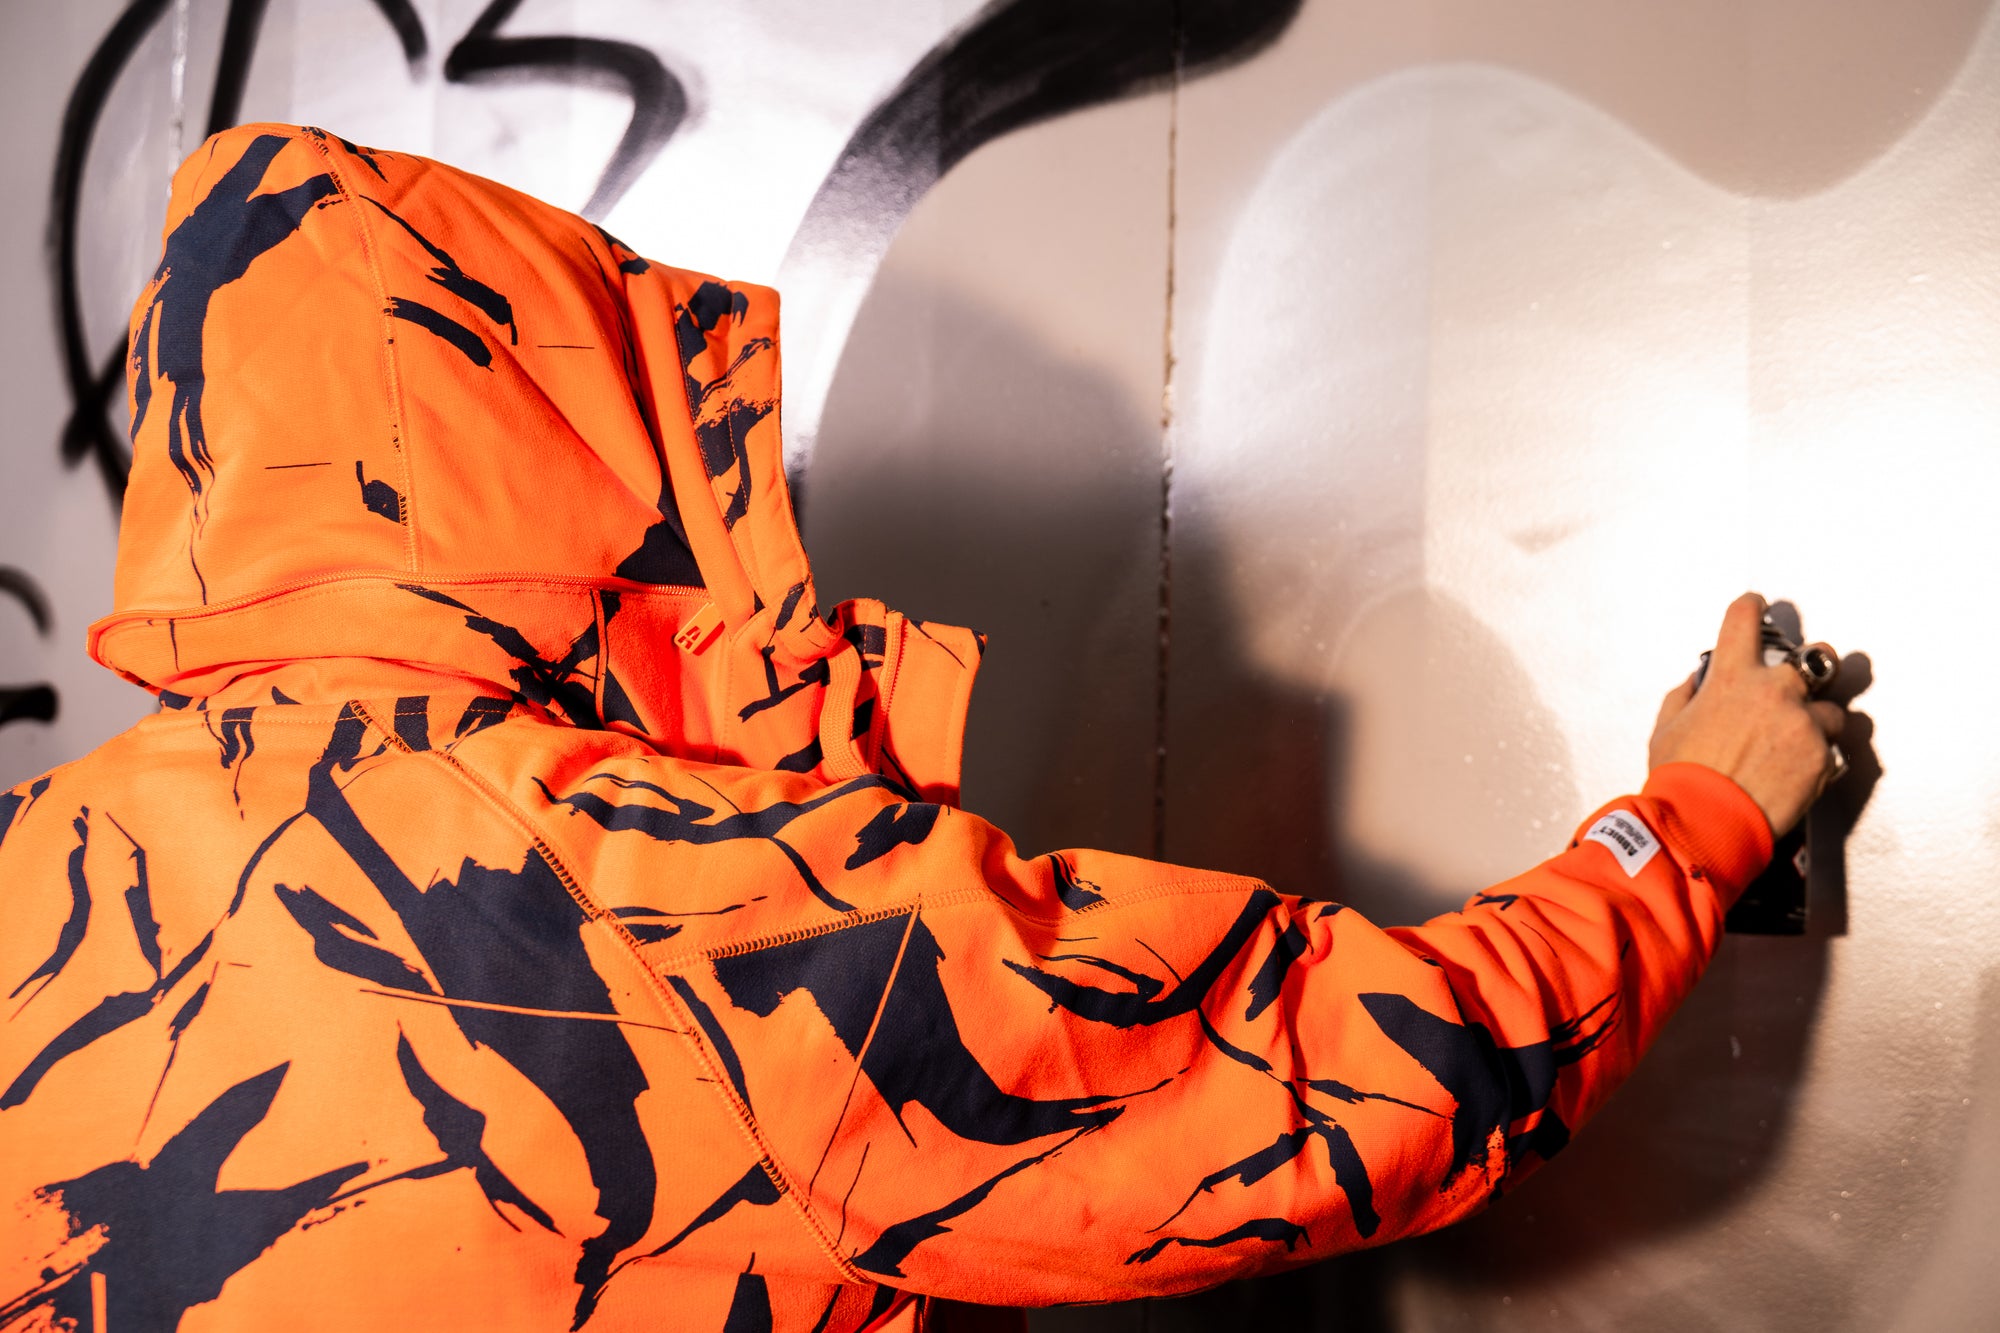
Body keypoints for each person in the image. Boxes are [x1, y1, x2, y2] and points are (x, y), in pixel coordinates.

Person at [0, 124, 1845, 1333]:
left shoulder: (29, 863)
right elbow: (1364, 1080)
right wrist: (1694, 818)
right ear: (537, 439)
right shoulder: (681, 907)